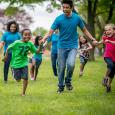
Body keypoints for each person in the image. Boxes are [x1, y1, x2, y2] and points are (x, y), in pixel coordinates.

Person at [40, 0, 97, 93]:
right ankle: (61, 86)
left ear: (71, 8)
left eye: (67, 7)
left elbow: (85, 30)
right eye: (64, 7)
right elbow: (50, 31)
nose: (65, 9)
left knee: (71, 64)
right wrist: (44, 38)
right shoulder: (58, 19)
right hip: (61, 46)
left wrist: (92, 39)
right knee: (61, 67)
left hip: (73, 45)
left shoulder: (77, 18)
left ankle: (68, 81)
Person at [3, 29, 42, 96]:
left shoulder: (30, 44)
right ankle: (13, 72)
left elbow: (37, 52)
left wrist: (41, 45)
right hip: (15, 64)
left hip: (24, 63)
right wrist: (6, 56)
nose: (27, 36)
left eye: (29, 35)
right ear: (22, 35)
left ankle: (23, 93)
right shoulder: (17, 42)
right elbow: (8, 48)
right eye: (25, 34)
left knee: (25, 78)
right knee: (18, 79)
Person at [97, 23, 115, 93]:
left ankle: (108, 85)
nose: (107, 31)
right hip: (107, 56)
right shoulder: (105, 37)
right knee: (111, 65)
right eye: (106, 30)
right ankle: (105, 77)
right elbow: (102, 41)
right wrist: (97, 43)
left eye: (109, 29)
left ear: (114, 31)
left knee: (112, 73)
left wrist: (110, 41)